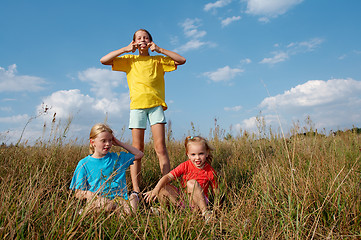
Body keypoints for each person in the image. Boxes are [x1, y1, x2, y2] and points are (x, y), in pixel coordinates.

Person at [100, 29, 186, 195]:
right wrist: (125, 49)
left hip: (156, 106)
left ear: (150, 41)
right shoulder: (129, 60)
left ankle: (165, 186)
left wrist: (159, 49)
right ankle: (136, 188)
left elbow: (182, 60)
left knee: (160, 147)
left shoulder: (159, 60)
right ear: (134, 42)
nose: (142, 40)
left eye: (145, 37)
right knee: (137, 148)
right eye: (138, 38)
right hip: (137, 107)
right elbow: (104, 60)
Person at [70, 123, 144, 214]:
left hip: (121, 200)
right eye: (103, 141)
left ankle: (127, 206)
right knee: (107, 205)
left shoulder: (118, 158)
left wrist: (119, 143)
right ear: (92, 142)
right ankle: (88, 211)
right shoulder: (84, 164)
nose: (108, 144)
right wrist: (88, 194)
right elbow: (78, 192)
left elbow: (139, 154)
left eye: (110, 140)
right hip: (100, 200)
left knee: (131, 206)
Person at [143, 136, 217, 221]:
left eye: (201, 154)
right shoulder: (185, 165)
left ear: (207, 153)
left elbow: (216, 192)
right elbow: (167, 177)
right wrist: (156, 189)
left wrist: (217, 207)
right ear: (188, 154)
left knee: (191, 183)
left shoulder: (210, 171)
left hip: (198, 203)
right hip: (182, 199)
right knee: (163, 186)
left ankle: (205, 213)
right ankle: (164, 210)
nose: (197, 158)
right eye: (193, 154)